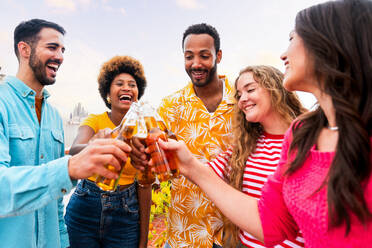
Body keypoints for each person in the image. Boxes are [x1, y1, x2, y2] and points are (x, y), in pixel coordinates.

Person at [155, 0, 372, 247]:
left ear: (332, 45)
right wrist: (190, 166)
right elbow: (271, 222)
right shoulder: (302, 134)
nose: (283, 54)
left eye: (293, 38)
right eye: (240, 94)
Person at [0, 19, 130, 248]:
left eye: (62, 50)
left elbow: (57, 203)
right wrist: (69, 167)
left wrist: (62, 242)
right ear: (24, 49)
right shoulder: (3, 103)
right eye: (52, 47)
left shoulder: (53, 116)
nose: (60, 56)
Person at [132, 23, 234, 248]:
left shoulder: (243, 98)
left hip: (233, 234)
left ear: (218, 55)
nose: (196, 63)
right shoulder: (170, 105)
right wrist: (142, 150)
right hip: (184, 235)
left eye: (204, 55)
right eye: (189, 56)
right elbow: (153, 151)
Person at [207, 65, 306, 248]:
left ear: (274, 89)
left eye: (250, 89)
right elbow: (206, 172)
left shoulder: (310, 137)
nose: (242, 99)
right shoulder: (245, 145)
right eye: (238, 95)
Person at [64, 56, 151, 248]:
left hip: (126, 215)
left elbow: (145, 187)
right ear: (108, 94)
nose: (127, 87)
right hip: (85, 207)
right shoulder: (95, 121)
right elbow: (76, 149)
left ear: (137, 94)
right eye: (119, 83)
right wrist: (95, 144)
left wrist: (143, 241)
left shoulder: (144, 132)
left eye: (132, 84)